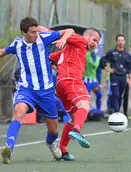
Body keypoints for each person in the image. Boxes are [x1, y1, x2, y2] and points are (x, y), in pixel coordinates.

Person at [0, 17, 74, 164]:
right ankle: (8, 148)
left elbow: (70, 30)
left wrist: (64, 39)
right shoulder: (17, 44)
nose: (36, 34)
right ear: (23, 32)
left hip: (46, 91)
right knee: (18, 113)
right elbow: (0, 52)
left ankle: (50, 143)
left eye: (37, 31)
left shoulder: (44, 38)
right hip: (26, 88)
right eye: (32, 32)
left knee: (54, 130)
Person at [50, 28, 101, 161]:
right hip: (71, 81)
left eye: (98, 42)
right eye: (94, 39)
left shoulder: (69, 51)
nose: (95, 44)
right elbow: (67, 33)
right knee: (84, 106)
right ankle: (77, 131)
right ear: (87, 36)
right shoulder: (80, 40)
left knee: (74, 118)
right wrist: (61, 37)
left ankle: (62, 150)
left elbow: (50, 57)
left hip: (60, 85)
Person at [100, 34, 131, 114]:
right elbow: (102, 62)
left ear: (124, 42)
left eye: (122, 40)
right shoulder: (111, 52)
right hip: (114, 77)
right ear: (116, 42)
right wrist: (109, 70)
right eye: (119, 40)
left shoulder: (127, 54)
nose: (120, 42)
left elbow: (129, 68)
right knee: (115, 95)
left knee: (120, 96)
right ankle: (117, 112)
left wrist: (130, 80)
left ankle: (117, 111)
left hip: (123, 77)